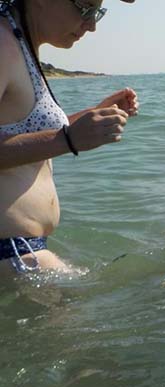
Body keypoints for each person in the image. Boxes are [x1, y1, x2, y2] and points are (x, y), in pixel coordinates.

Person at [0, 0, 138, 276]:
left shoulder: (19, 42)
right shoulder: (2, 45)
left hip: (21, 250)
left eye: (97, 12)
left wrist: (92, 116)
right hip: (12, 251)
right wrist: (66, 139)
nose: (92, 25)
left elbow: (21, 131)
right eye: (85, 8)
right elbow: (55, 139)